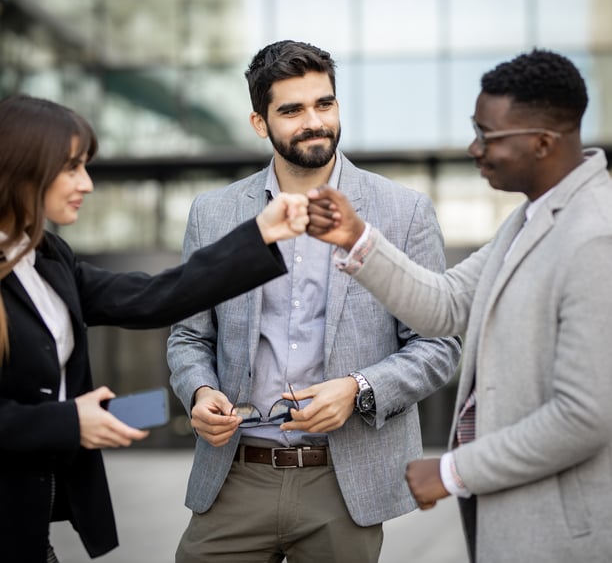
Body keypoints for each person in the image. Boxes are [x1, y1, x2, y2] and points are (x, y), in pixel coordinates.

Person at [307, 48, 612, 563]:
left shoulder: (593, 237)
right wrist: (358, 239)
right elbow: (444, 305)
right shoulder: (529, 220)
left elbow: (584, 416)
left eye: (488, 136)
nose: (474, 148)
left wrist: (452, 470)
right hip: (517, 521)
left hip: (566, 534)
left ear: (543, 143)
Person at [166, 39, 461, 563]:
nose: (314, 121)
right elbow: (189, 334)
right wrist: (198, 391)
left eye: (324, 103)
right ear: (259, 123)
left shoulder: (405, 212)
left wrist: (358, 389)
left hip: (344, 486)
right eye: (292, 110)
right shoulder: (212, 214)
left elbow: (439, 345)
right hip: (235, 475)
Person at [0, 93, 309, 563]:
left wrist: (258, 234)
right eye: (71, 168)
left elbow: (154, 296)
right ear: (21, 167)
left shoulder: (45, 257)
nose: (86, 183)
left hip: (24, 528)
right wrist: (67, 422)